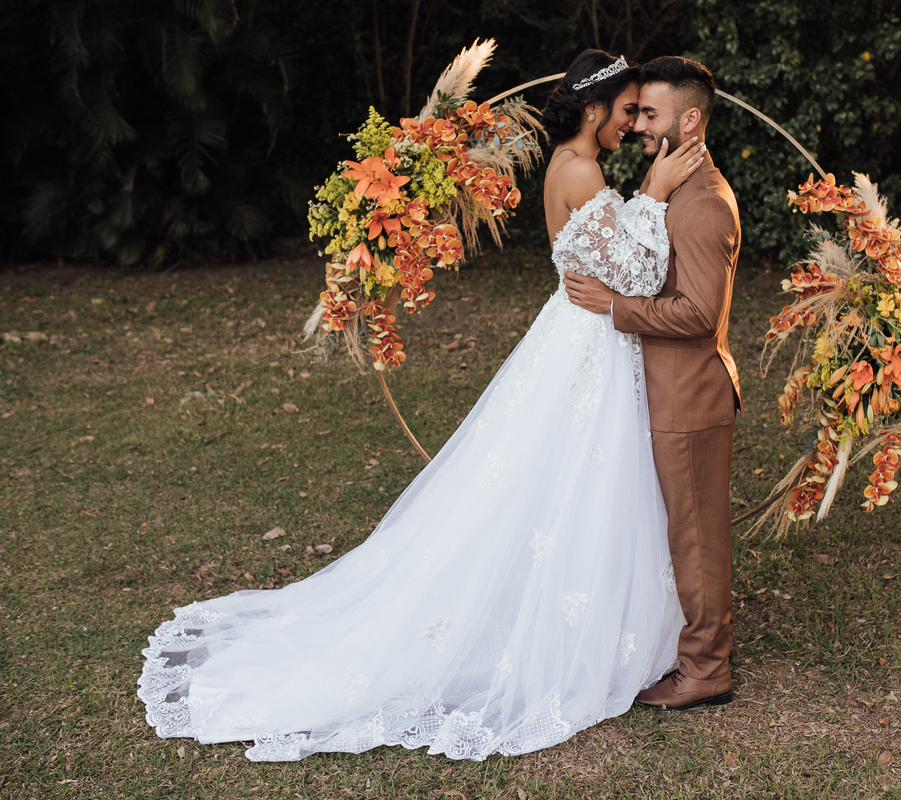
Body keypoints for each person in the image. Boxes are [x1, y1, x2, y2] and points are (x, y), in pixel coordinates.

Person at [136, 50, 707, 762]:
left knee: (577, 485)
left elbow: (615, 265)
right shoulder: (582, 169)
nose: (632, 124)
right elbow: (643, 272)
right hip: (588, 347)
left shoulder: (576, 166)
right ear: (595, 110)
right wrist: (652, 193)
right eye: (627, 111)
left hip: (592, 338)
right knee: (566, 481)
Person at [564, 56, 742, 710]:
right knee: (679, 531)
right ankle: (684, 648)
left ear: (690, 120)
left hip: (688, 392)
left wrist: (614, 307)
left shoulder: (701, 205)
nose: (638, 123)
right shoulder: (676, 187)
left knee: (696, 536)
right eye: (633, 112)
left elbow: (699, 313)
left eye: (651, 114)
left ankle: (706, 671)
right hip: (664, 387)